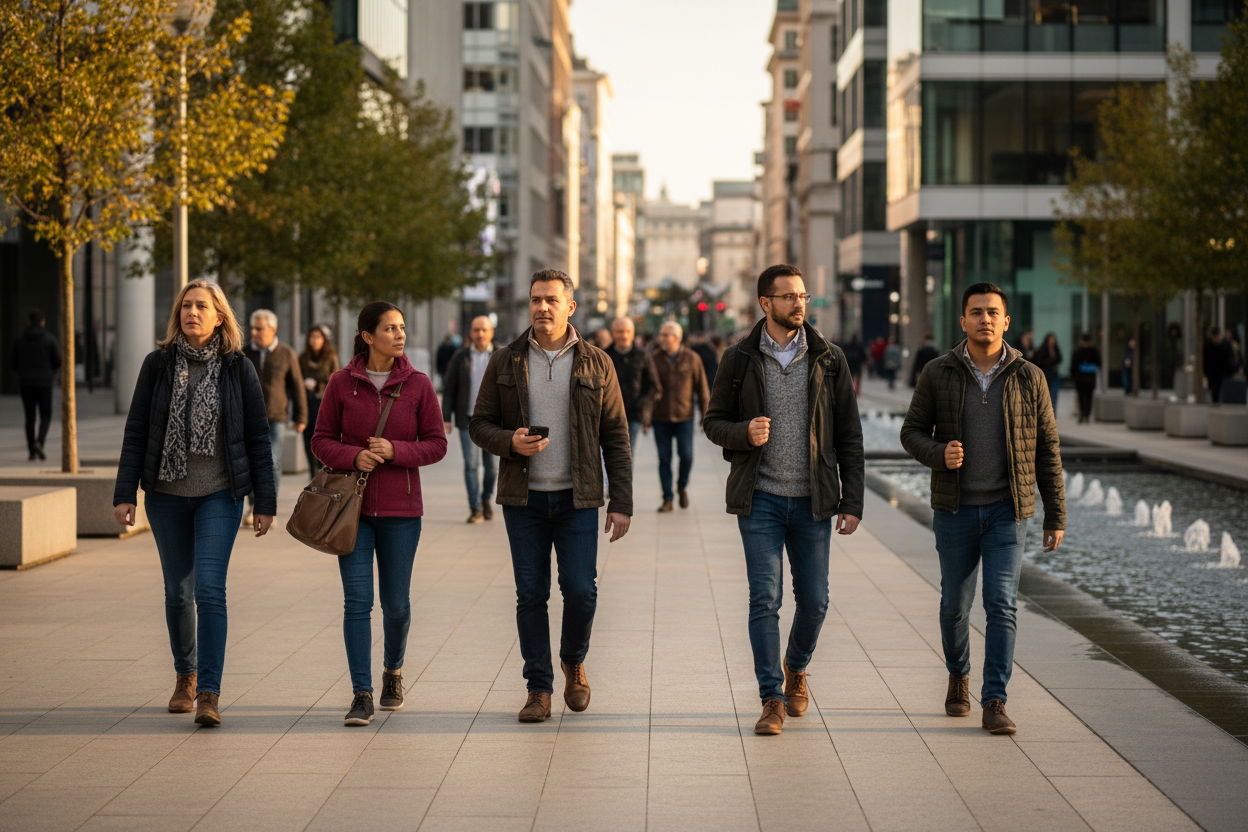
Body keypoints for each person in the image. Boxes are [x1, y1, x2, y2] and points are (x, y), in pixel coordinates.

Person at [704, 264, 864, 736]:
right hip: (761, 499)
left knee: (815, 602)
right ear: (765, 303)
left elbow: (850, 435)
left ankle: (796, 666)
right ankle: (771, 698)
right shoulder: (738, 358)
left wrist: (852, 500)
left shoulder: (829, 358)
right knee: (765, 600)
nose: (799, 303)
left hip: (813, 500)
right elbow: (713, 422)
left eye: (802, 296)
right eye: (789, 296)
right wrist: (743, 433)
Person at [900, 282, 1066, 735]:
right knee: (954, 605)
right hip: (954, 509)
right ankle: (959, 675)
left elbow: (1048, 448)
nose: (985, 319)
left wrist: (1056, 514)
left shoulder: (1030, 376)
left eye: (993, 312)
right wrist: (939, 453)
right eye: (976, 312)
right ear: (963, 321)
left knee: (1001, 603)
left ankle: (995, 699)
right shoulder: (938, 372)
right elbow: (911, 432)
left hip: (1007, 511)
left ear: (1006, 322)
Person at [470, 269, 632, 724]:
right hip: (523, 500)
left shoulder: (597, 362)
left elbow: (616, 436)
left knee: (581, 591)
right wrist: (509, 442)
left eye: (551, 300)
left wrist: (621, 501)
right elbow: (479, 424)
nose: (542, 307)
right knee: (531, 594)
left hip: (578, 498)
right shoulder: (505, 360)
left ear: (570, 307)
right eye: (536, 299)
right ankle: (538, 688)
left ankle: (573, 661)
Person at [112, 279, 276, 727]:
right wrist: (125, 493)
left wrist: (265, 501)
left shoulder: (238, 368)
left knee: (209, 590)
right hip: (166, 496)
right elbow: (136, 430)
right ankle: (185, 674)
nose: (192, 313)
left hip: (220, 495)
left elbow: (258, 438)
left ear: (219, 316)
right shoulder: (158, 365)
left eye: (202, 306)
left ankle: (208, 692)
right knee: (177, 592)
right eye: (186, 306)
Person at [312, 301, 447, 726]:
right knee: (357, 602)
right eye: (390, 328)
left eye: (401, 327)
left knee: (397, 606)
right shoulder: (341, 383)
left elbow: (437, 443)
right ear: (368, 336)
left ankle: (393, 671)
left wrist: (395, 451)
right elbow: (321, 439)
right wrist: (353, 457)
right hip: (349, 511)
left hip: (401, 512)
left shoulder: (418, 385)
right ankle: (361, 693)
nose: (399, 334)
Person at [242, 310, 307, 522]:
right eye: (253, 328)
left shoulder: (286, 353)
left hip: (276, 418)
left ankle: (268, 507)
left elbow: (297, 386)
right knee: (251, 463)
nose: (254, 332)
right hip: (248, 418)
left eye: (259, 328)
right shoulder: (243, 354)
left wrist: (301, 417)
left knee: (272, 462)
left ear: (272, 329)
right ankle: (254, 507)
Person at [442, 316, 500, 523]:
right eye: (476, 330)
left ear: (491, 332)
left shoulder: (501, 355)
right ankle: (475, 508)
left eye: (484, 330)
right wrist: (446, 417)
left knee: (492, 467)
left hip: (495, 421)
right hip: (467, 419)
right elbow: (449, 388)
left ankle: (486, 499)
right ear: (470, 333)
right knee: (471, 464)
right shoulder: (460, 357)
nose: (480, 334)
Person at [650, 321, 709, 512]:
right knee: (664, 459)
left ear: (677, 338)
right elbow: (646, 388)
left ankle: (682, 486)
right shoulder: (653, 358)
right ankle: (667, 498)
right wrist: (646, 415)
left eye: (666, 335)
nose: (662, 338)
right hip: (660, 417)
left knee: (686, 456)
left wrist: (705, 417)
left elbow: (702, 389)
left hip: (685, 416)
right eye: (661, 334)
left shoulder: (692, 358)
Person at [8, 310, 62, 461]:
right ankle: (40, 442)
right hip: (44, 382)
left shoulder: (19, 340)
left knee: (29, 418)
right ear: (42, 322)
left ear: (29, 322)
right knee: (46, 415)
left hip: (26, 383)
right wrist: (49, 371)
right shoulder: (49, 339)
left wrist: (23, 371)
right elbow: (58, 360)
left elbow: (12, 362)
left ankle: (31, 451)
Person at [604, 316, 659, 458]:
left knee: (627, 453)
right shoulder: (603, 356)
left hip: (633, 413)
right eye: (619, 331)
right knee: (609, 455)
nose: (624, 335)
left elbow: (653, 386)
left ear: (633, 333)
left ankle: (625, 474)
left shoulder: (642, 355)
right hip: (608, 414)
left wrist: (643, 406)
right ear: (613, 333)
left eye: (627, 331)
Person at [298, 325, 339, 477]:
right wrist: (304, 383)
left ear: (324, 339)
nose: (314, 340)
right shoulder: (303, 358)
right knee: (307, 436)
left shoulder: (330, 357)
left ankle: (323, 470)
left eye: (317, 337)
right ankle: (313, 471)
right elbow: (297, 377)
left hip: (324, 403)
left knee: (322, 436)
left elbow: (335, 380)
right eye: (311, 337)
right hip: (306, 402)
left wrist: (318, 385)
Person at [1071, 333, 1101, 422]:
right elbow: (1074, 365)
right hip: (1082, 377)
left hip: (1087, 377)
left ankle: (1086, 414)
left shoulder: (1092, 351)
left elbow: (1098, 362)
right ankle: (1083, 413)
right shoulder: (1079, 351)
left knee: (1087, 396)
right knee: (1083, 396)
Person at [1032, 333, 1063, 408]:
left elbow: (1059, 359)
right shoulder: (1042, 350)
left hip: (1054, 375)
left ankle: (1052, 411)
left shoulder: (1056, 350)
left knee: (1053, 395)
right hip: (1046, 375)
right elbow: (1040, 361)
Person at [1203, 327, 1233, 403]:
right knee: (1213, 388)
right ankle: (1215, 401)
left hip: (1219, 371)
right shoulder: (1208, 345)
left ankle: (1216, 400)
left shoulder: (1222, 345)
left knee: (1218, 388)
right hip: (1212, 371)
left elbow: (1226, 358)